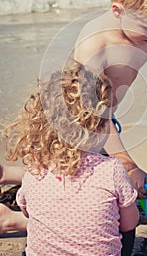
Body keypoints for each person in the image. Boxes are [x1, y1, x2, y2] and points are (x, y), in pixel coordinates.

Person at [0, 0, 147, 253]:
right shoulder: (95, 42)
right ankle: (15, 218)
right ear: (118, 10)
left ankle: (11, 180)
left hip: (105, 118)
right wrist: (127, 164)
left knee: (103, 192)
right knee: (86, 190)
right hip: (78, 122)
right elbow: (91, 116)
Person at [2, 61, 139, 256]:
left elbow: (28, 211)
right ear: (99, 126)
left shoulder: (35, 169)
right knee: (126, 225)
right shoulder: (112, 169)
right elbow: (129, 222)